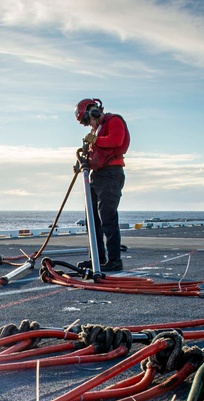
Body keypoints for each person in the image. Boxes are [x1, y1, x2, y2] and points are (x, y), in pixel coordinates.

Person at [75, 98, 129, 272]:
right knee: (91, 219)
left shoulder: (114, 121)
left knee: (107, 217)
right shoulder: (95, 131)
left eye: (86, 120)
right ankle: (96, 259)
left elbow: (116, 140)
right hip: (96, 176)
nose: (86, 124)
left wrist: (95, 140)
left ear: (94, 112)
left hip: (111, 174)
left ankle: (114, 260)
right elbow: (95, 155)